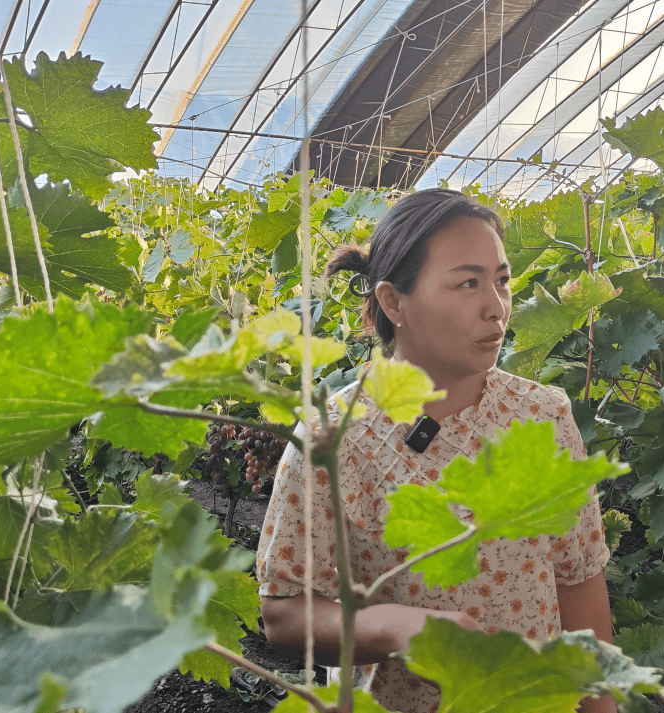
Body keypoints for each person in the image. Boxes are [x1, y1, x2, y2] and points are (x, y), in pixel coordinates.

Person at [255, 188, 615, 713]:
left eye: (502, 280)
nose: (496, 307)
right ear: (393, 302)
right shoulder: (333, 438)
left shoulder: (544, 415)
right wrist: (396, 626)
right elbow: (282, 612)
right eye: (468, 283)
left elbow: (578, 578)